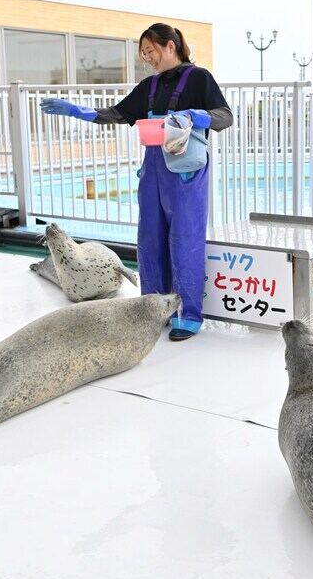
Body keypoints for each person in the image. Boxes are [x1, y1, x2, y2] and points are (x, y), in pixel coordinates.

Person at [39, 24, 233, 341]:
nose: (147, 58)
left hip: (185, 169)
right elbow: (118, 113)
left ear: (170, 46)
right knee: (150, 239)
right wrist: (78, 111)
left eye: (151, 50)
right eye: (144, 53)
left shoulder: (199, 78)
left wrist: (199, 115)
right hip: (153, 167)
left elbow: (225, 115)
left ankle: (187, 314)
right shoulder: (150, 86)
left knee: (185, 239)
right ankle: (153, 308)